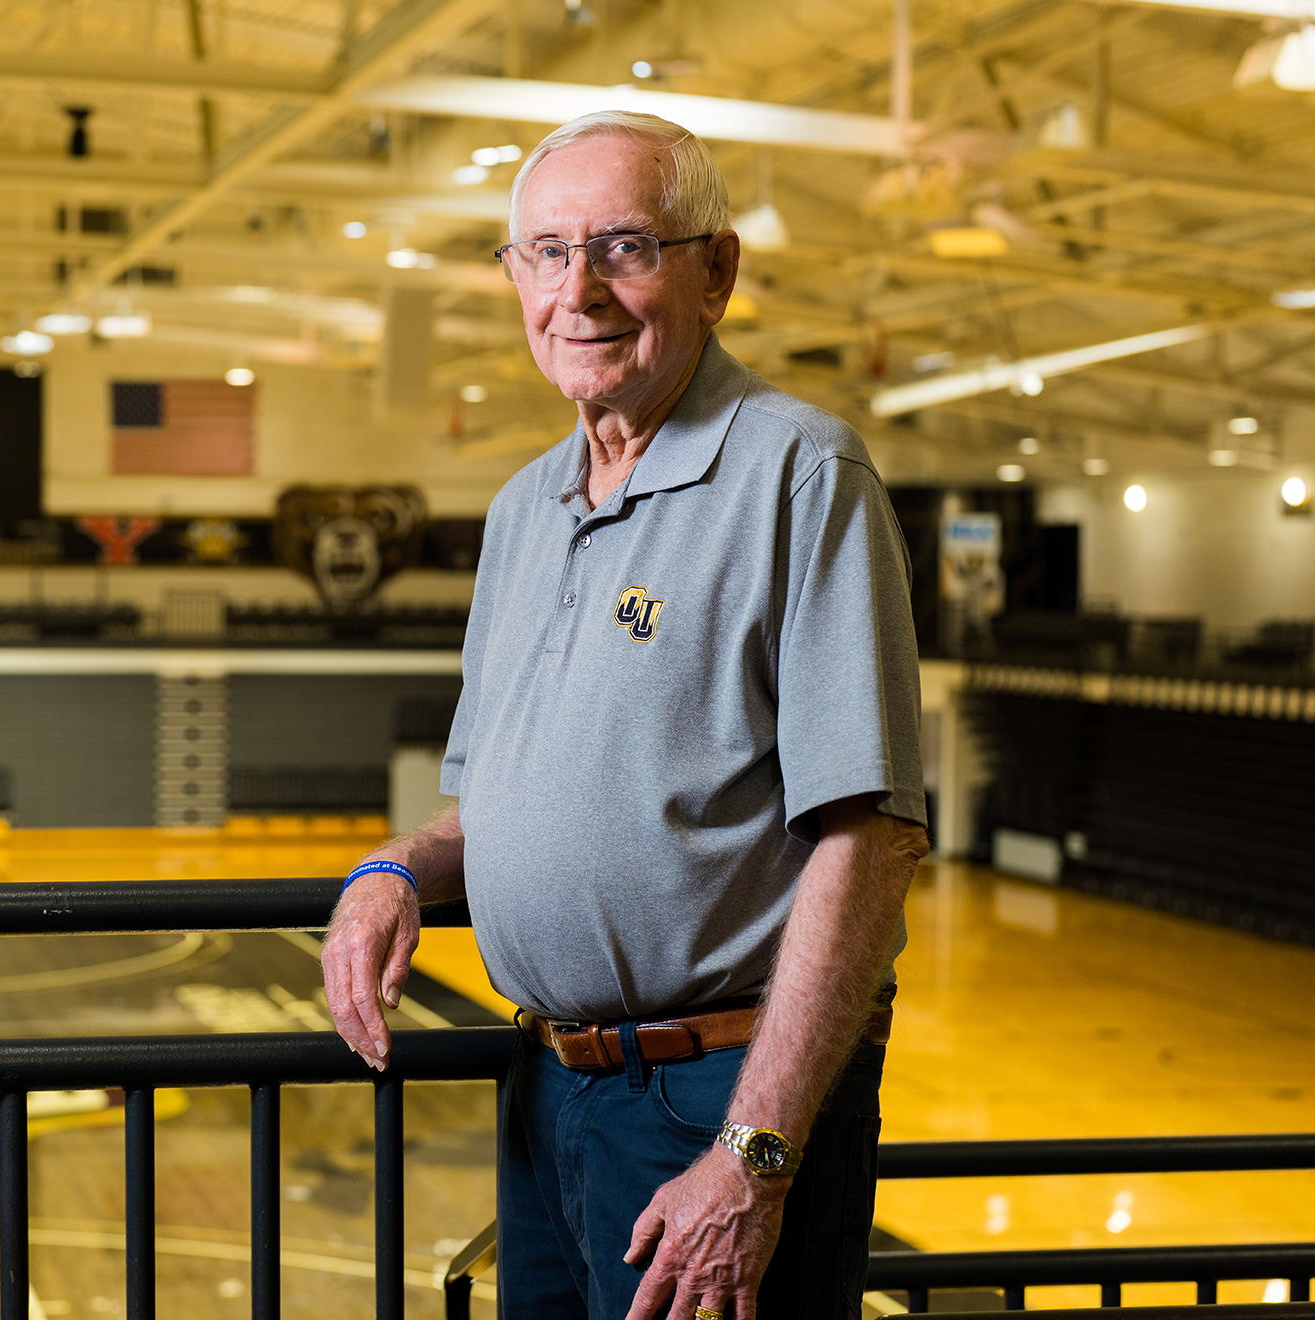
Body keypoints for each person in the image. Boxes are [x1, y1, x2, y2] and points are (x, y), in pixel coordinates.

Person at [319, 110, 929, 1320]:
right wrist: (394, 870)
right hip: (547, 1084)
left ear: (716, 272)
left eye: (625, 247)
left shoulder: (800, 474)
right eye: (545, 253)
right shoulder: (521, 509)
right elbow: (493, 807)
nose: (578, 289)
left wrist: (753, 1153)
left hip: (716, 1098)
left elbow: (870, 839)